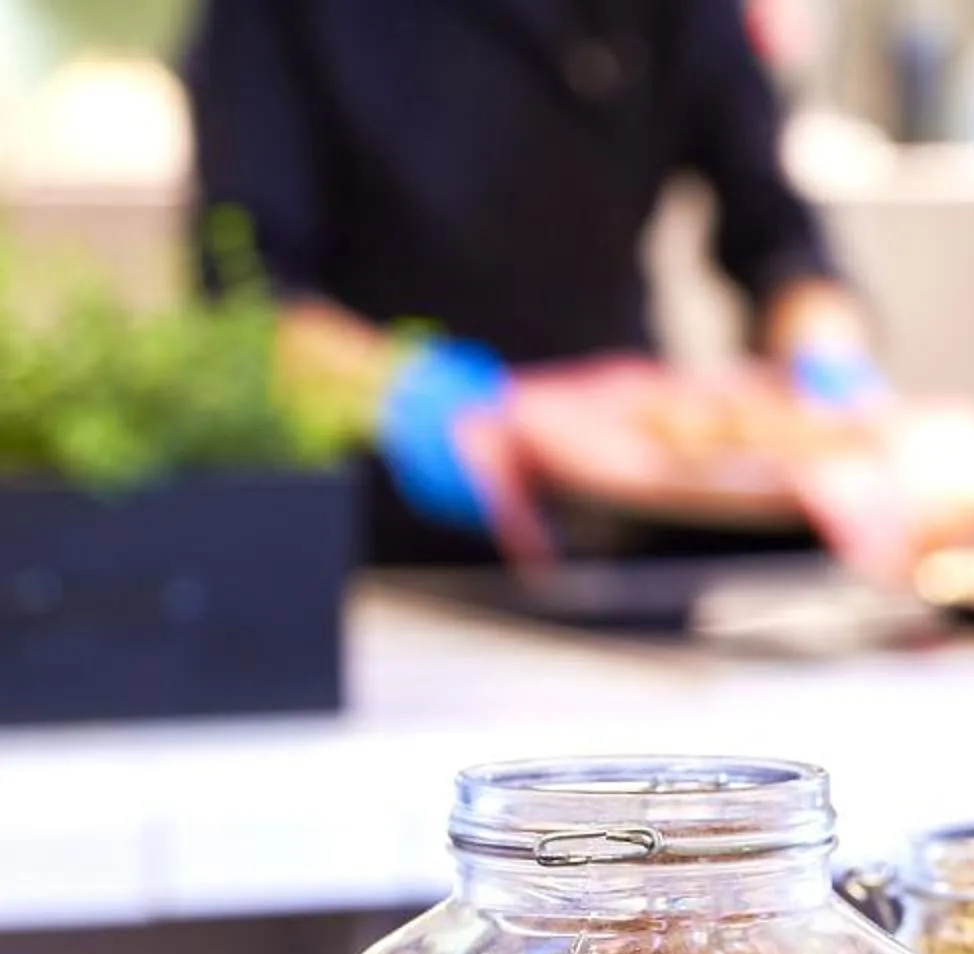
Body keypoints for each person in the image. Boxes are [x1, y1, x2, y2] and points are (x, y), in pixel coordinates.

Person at [184, 0, 885, 563]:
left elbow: (778, 237)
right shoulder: (275, 15)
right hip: (391, 536)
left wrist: (829, 359)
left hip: (633, 525)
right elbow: (248, 297)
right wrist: (408, 396)